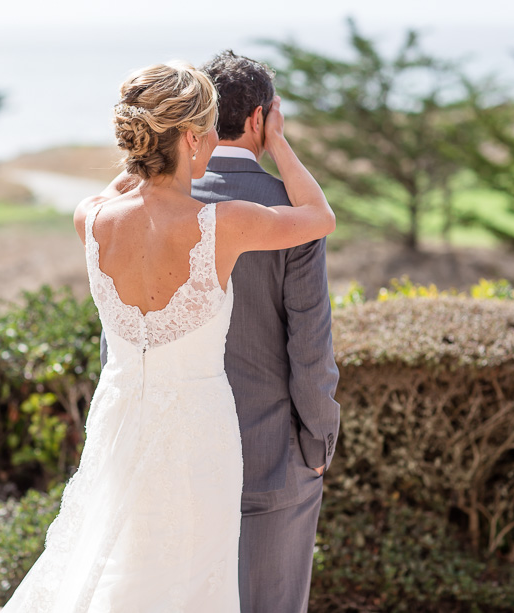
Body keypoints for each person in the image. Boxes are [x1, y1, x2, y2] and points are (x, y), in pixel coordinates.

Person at [0, 61, 334, 613]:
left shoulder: (92, 219)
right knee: (193, 580)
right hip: (202, 438)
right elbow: (319, 216)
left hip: (120, 429)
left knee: (122, 574)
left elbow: (121, 187)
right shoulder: (226, 223)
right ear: (189, 137)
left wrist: (150, 162)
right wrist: (277, 143)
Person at [192, 50, 341, 613]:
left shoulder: (155, 209)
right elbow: (310, 343)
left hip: (176, 448)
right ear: (261, 117)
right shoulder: (291, 212)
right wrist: (318, 442)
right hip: (274, 453)